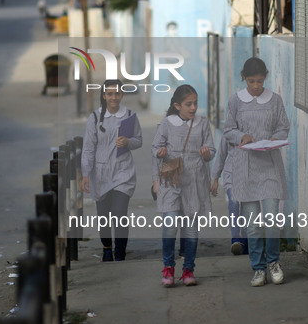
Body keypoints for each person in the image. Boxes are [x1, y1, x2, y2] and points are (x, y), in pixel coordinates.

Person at [223, 57, 290, 287]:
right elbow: (228, 129)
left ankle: (273, 263)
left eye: (259, 81)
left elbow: (284, 126)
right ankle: (258, 269)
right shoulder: (235, 101)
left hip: (269, 163)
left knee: (271, 219)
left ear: (265, 78)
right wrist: (241, 137)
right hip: (246, 166)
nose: (255, 86)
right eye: (251, 81)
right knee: (252, 223)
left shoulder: (275, 100)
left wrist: (275, 138)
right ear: (244, 78)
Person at [152, 84, 215, 287]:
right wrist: (160, 153)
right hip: (171, 180)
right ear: (178, 105)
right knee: (170, 224)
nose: (193, 107)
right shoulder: (167, 123)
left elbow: (211, 150)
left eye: (195, 103)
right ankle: (168, 267)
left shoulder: (203, 124)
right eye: (189, 104)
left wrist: (206, 154)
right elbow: (155, 147)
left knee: (191, 229)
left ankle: (188, 269)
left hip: (195, 182)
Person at [81, 79, 142, 262]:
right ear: (104, 95)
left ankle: (120, 252)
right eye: (110, 94)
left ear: (122, 95)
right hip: (100, 174)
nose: (114, 97)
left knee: (119, 213)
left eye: (117, 93)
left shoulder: (130, 115)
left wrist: (128, 142)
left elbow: (138, 140)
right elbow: (88, 148)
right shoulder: (94, 118)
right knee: (104, 216)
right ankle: (107, 248)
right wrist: (85, 173)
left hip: (123, 172)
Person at [211, 135, 248, 255]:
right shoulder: (229, 132)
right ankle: (236, 239)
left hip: (249, 175)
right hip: (231, 175)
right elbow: (221, 155)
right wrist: (215, 178)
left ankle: (246, 242)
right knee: (234, 203)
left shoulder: (253, 127)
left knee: (247, 208)